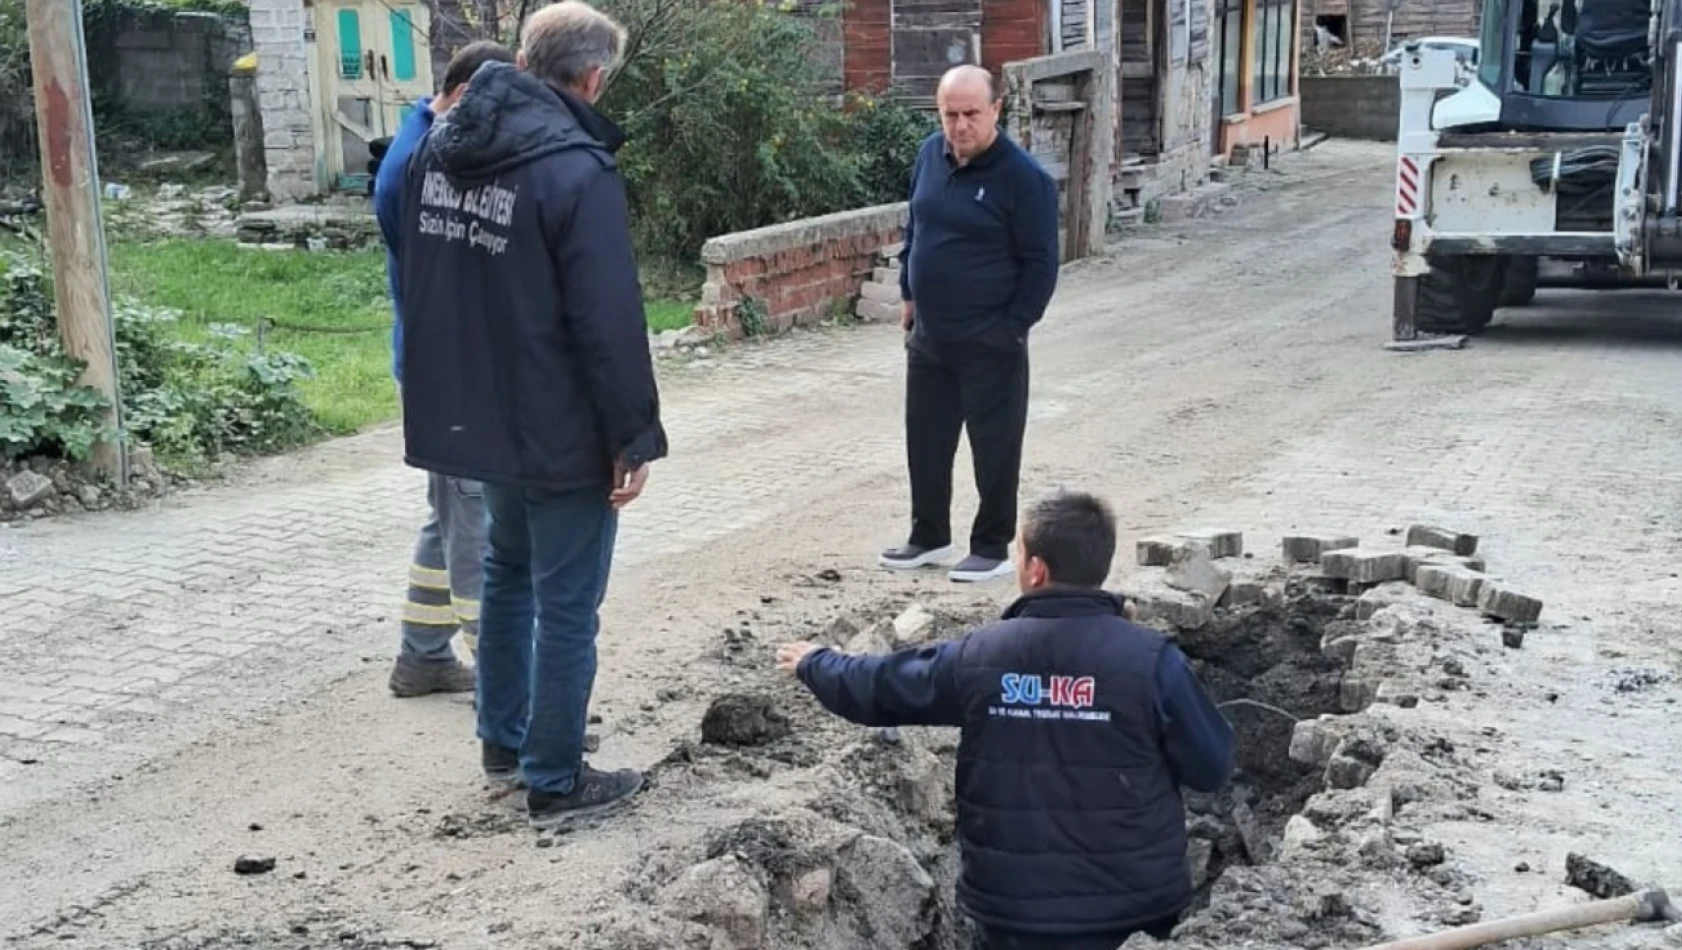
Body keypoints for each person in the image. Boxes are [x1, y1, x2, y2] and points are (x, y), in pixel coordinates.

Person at [394, 0, 666, 828]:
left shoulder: (437, 154)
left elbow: (423, 281)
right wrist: (633, 434)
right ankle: (554, 779)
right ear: (591, 78)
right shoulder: (575, 170)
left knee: (508, 575)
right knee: (567, 602)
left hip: (477, 415)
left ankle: (503, 740)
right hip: (557, 424)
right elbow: (607, 319)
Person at [781, 491, 1236, 950]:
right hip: (1137, 914)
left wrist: (816, 662)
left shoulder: (981, 656)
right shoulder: (1152, 662)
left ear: (1036, 570)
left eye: (1018, 553)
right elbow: (1211, 767)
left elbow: (880, 686)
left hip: (1015, 916)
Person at [880, 64, 1062, 584]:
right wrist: (909, 294)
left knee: (995, 449)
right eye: (949, 114)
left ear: (996, 111)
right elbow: (915, 226)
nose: (959, 126)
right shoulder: (928, 157)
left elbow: (1041, 264)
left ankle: (991, 545)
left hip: (991, 340)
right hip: (930, 338)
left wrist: (1013, 328)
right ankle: (928, 536)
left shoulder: (1025, 179)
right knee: (926, 442)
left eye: (970, 115)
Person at [374, 39, 515, 698]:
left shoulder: (420, 146)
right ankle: (505, 678)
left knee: (449, 512)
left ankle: (423, 654)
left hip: (442, 367)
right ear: (463, 95)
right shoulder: (418, 167)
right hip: (451, 374)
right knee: (474, 523)